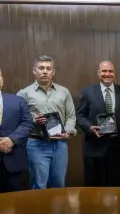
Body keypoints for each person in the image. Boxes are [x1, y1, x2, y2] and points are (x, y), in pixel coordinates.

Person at [17, 55, 77, 189]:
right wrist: (33, 121)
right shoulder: (24, 94)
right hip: (36, 144)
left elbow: (71, 116)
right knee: (39, 184)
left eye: (48, 68)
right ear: (34, 71)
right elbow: (17, 120)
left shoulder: (64, 92)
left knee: (59, 184)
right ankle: (38, 210)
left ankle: (57, 211)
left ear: (53, 72)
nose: (45, 71)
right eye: (41, 68)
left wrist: (68, 132)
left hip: (60, 144)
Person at [76, 60, 120, 187]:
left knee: (113, 184)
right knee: (93, 184)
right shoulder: (87, 92)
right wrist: (89, 127)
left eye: (110, 71)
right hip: (94, 145)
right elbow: (79, 115)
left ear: (114, 73)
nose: (107, 74)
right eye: (104, 71)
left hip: (116, 146)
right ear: (98, 73)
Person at [0, 67, 33, 192]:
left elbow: (27, 123)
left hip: (13, 160)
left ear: (2, 79)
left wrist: (11, 139)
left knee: (13, 203)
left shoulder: (17, 100)